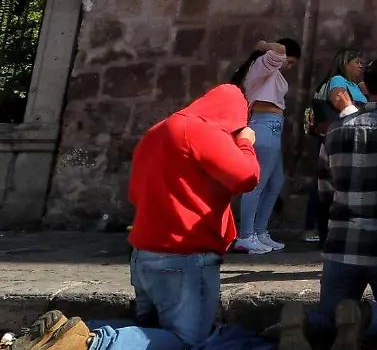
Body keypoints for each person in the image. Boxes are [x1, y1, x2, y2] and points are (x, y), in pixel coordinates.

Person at [11, 85, 259, 350]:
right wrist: (245, 143)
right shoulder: (200, 130)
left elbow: (136, 193)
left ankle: (63, 332)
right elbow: (247, 176)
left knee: (150, 332)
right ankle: (88, 342)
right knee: (188, 342)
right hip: (184, 254)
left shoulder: (157, 131)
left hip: (144, 253)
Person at [281, 56, 377, 348]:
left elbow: (325, 191)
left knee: (329, 323)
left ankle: (304, 322)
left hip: (342, 243)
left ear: (364, 89)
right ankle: (364, 317)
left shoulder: (336, 131)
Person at [230, 38, 302, 255]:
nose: (289, 66)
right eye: (290, 62)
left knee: (275, 182)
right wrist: (262, 45)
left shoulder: (269, 71)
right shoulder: (263, 64)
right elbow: (278, 51)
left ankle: (259, 231)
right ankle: (245, 235)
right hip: (263, 124)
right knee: (257, 183)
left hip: (272, 125)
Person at [303, 49, 367, 244]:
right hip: (337, 136)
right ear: (345, 63)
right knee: (327, 182)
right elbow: (339, 100)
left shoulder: (352, 84)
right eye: (357, 61)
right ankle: (316, 227)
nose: (360, 65)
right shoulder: (339, 81)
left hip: (337, 136)